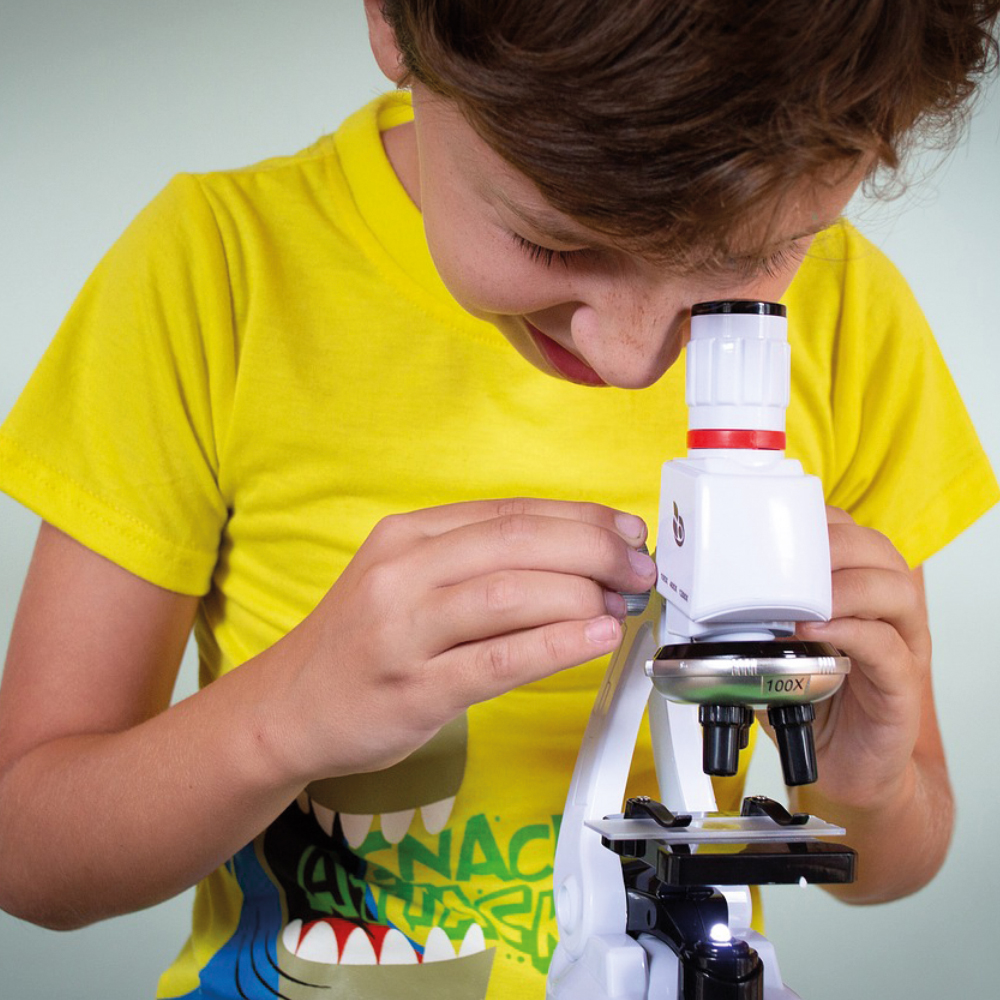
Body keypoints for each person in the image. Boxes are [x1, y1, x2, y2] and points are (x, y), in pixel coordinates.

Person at [0, 1, 997, 997]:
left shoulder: (853, 319)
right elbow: (27, 847)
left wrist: (868, 785)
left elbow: (898, 855)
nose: (635, 357)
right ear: (394, 23)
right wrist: (283, 716)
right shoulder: (216, 272)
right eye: (558, 244)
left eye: (745, 263)